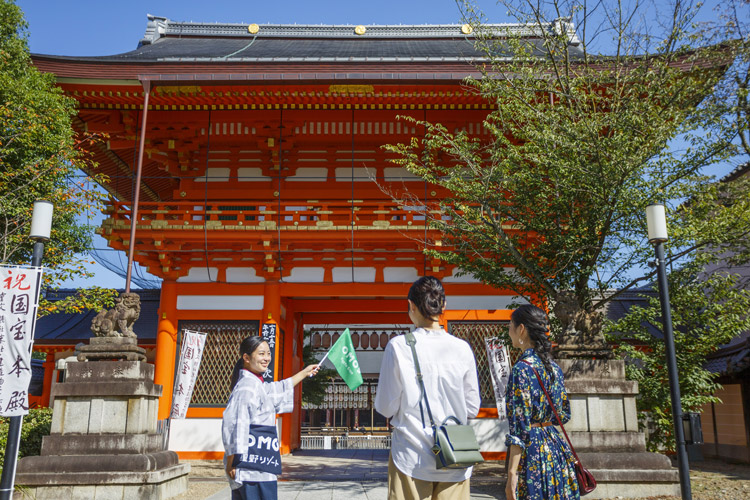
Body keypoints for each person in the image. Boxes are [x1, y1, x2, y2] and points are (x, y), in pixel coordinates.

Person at [375, 276, 480, 500]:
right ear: (444, 306)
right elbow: (472, 407)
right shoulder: (462, 348)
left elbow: (385, 407)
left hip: (411, 454)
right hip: (455, 453)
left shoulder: (399, 346)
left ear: (411, 306)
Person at [222, 335, 319, 500]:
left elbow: (278, 388)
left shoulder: (257, 384)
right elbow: (236, 425)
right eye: (261, 354)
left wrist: (304, 372)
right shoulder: (246, 388)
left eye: (268, 353)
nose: (266, 358)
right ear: (246, 357)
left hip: (262, 461)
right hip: (250, 464)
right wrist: (232, 460)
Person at [504, 304, 580, 500]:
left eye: (511, 325)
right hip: (556, 450)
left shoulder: (522, 369)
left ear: (522, 329)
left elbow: (520, 429)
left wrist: (512, 472)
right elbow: (563, 414)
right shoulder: (553, 367)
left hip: (533, 454)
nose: (509, 330)